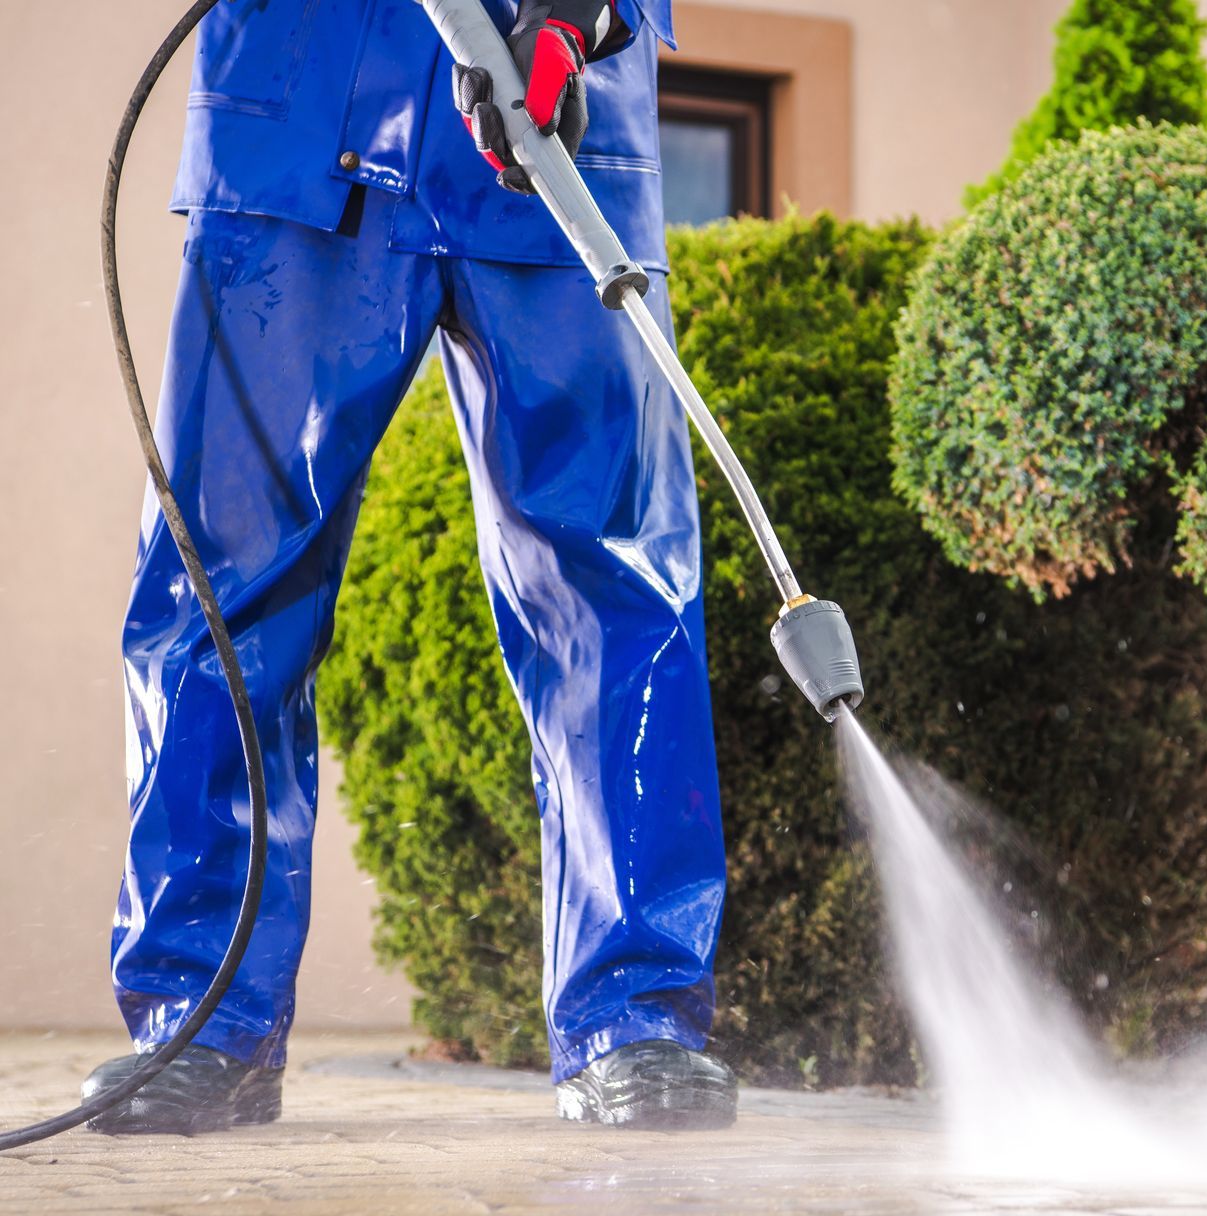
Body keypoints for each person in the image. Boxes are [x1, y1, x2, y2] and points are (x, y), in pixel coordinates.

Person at [81, 0, 736, 1134]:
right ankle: (200, 1017)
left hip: (554, 130)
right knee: (220, 589)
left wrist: (573, 12)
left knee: (617, 589)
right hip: (299, 114)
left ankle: (636, 1019)